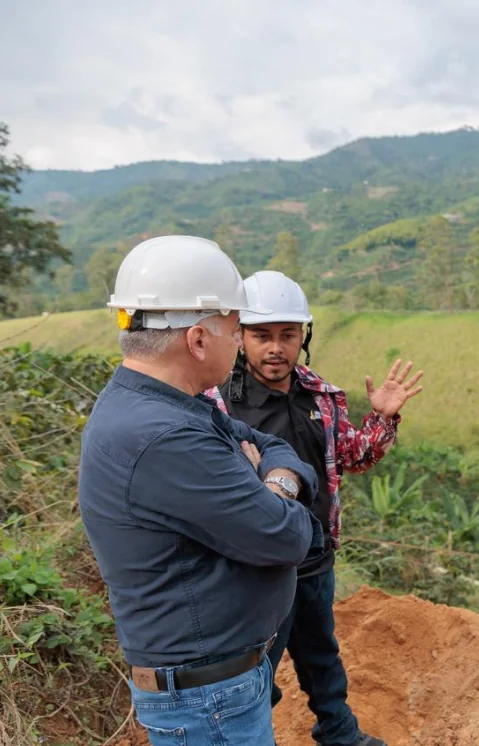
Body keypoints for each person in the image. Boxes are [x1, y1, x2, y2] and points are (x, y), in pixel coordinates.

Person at [78, 236, 327, 746]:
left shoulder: (165, 405)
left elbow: (271, 446)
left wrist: (272, 479)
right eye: (237, 331)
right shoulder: (164, 435)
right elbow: (286, 538)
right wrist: (284, 500)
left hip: (216, 686)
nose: (240, 344)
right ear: (197, 339)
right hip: (208, 701)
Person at [204, 270, 423, 746]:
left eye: (287, 335)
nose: (275, 348)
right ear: (240, 335)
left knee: (321, 652)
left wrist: (382, 417)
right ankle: (250, 735)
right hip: (258, 565)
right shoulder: (218, 404)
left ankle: (339, 732)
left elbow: (351, 457)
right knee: (256, 663)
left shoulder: (320, 395)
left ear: (303, 335)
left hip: (316, 554)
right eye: (262, 336)